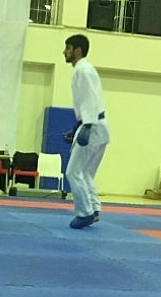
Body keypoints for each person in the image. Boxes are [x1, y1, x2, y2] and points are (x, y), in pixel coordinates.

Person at [62, 34, 110, 229]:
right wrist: (77, 128)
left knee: (73, 172)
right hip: (98, 126)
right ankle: (94, 209)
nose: (64, 52)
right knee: (86, 172)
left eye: (68, 48)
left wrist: (87, 126)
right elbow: (89, 102)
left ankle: (85, 213)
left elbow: (90, 99)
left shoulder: (83, 70)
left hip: (93, 126)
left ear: (78, 50)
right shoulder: (84, 70)